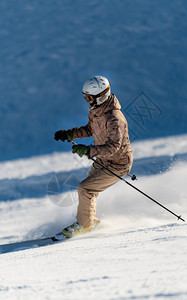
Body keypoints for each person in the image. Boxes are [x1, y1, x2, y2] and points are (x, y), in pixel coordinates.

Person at [54, 75, 133, 238]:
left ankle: (84, 226)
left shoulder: (114, 118)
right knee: (87, 190)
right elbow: (90, 129)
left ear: (101, 96)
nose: (87, 101)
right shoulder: (96, 110)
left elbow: (113, 147)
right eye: (85, 98)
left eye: (89, 98)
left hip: (118, 164)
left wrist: (88, 150)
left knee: (86, 188)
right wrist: (70, 134)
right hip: (104, 159)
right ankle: (89, 221)